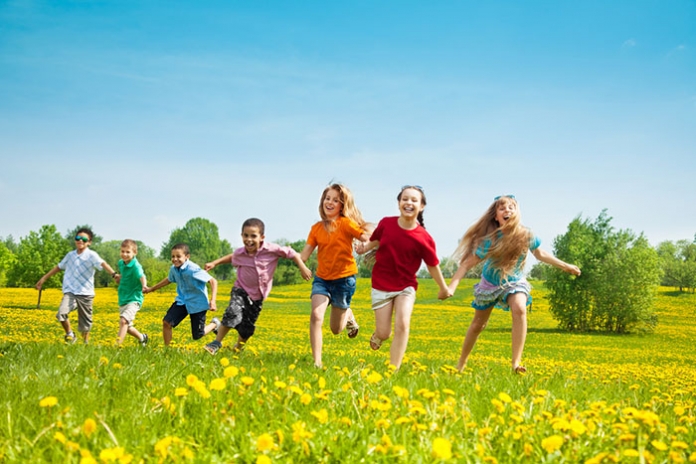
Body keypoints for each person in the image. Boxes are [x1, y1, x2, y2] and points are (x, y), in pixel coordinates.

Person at [446, 194, 581, 373]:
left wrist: (565, 266)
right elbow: (466, 264)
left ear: (517, 212)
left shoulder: (526, 235)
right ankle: (461, 363)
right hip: (490, 283)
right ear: (496, 216)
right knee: (479, 325)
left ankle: (516, 364)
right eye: (502, 208)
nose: (507, 211)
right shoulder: (491, 240)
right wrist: (452, 287)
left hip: (514, 281)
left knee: (519, 308)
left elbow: (540, 254)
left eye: (511, 207)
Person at [356, 185, 451, 370]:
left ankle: (393, 369)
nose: (409, 203)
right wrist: (363, 248)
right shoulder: (386, 224)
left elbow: (432, 264)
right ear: (399, 203)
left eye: (414, 200)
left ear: (421, 206)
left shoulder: (424, 238)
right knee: (384, 332)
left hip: (405, 286)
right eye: (405, 199)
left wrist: (443, 287)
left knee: (403, 324)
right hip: (381, 284)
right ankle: (378, 335)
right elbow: (375, 241)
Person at [203, 218, 312, 355]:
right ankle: (216, 343)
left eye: (253, 236)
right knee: (232, 312)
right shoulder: (240, 253)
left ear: (262, 237)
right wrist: (215, 263)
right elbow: (231, 257)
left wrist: (302, 267)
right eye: (245, 235)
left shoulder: (272, 250)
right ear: (241, 235)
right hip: (240, 290)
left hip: (258, 296)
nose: (249, 239)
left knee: (247, 329)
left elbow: (292, 254)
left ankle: (238, 348)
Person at [300, 183, 371, 368]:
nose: (329, 202)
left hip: (344, 281)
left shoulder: (346, 224)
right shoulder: (316, 228)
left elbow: (366, 238)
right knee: (316, 315)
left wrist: (365, 247)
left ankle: (348, 314)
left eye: (335, 200)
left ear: (342, 206)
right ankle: (317, 362)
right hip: (322, 280)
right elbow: (304, 255)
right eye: (327, 198)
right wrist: (299, 264)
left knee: (335, 329)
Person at [35, 227, 118, 344]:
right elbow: (58, 267)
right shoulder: (70, 255)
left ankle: (85, 343)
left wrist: (114, 275)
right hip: (70, 291)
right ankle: (70, 334)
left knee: (85, 322)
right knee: (61, 313)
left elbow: (103, 263)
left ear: (89, 242)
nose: (80, 241)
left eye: (84, 239)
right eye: (78, 238)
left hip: (86, 293)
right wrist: (43, 278)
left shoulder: (91, 255)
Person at [144, 243, 219, 346]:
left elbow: (213, 281)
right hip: (182, 301)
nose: (175, 259)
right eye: (173, 256)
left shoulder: (193, 269)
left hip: (197, 303)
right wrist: (151, 289)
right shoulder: (173, 269)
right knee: (167, 322)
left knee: (197, 335)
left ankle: (214, 324)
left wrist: (213, 300)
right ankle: (167, 350)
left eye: (178, 256)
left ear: (187, 257)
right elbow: (169, 279)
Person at [115, 239, 149, 347]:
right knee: (127, 327)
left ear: (134, 253)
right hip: (123, 298)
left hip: (134, 299)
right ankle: (142, 337)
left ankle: (116, 347)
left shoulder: (135, 266)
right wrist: (120, 277)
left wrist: (144, 285)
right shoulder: (121, 263)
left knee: (123, 321)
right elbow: (125, 275)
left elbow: (142, 276)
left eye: (128, 252)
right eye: (122, 251)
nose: (124, 254)